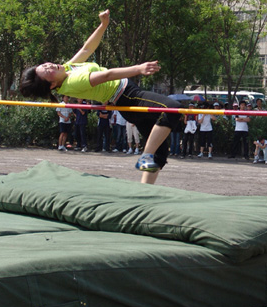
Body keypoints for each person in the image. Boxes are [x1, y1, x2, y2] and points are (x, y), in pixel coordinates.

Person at [19, 9, 181, 185]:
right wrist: (139, 68)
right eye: (47, 71)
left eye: (46, 65)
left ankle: (144, 190)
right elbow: (106, 75)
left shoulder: (67, 69)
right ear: (51, 85)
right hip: (127, 96)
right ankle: (146, 155)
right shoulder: (72, 82)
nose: (50, 65)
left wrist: (103, 25)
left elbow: (87, 48)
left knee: (160, 153)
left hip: (126, 96)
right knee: (172, 108)